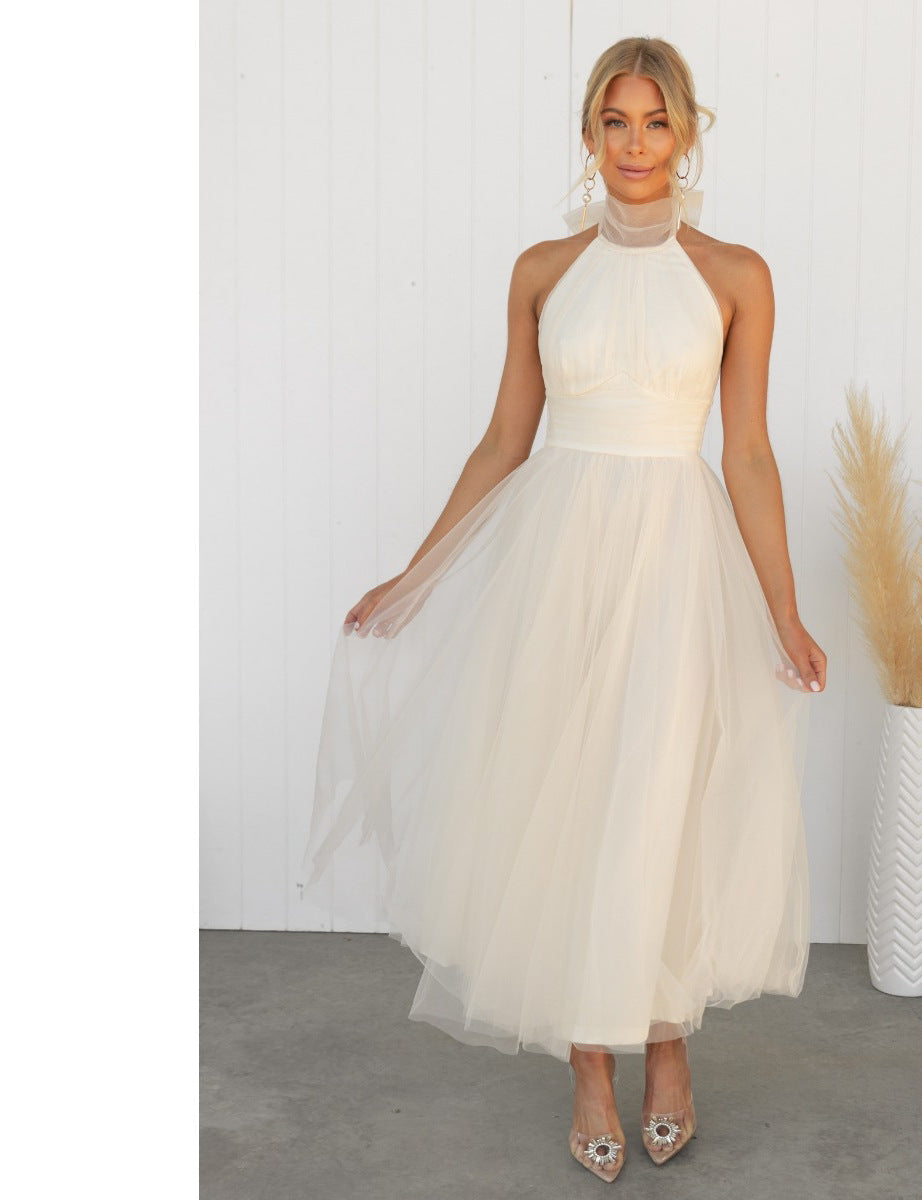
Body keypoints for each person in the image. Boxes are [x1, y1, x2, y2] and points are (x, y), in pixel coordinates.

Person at [298, 35, 827, 1183]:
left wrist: (783, 609)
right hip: (558, 565)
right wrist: (414, 575)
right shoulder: (543, 270)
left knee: (660, 803)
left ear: (686, 131)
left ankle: (667, 1042)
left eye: (655, 121)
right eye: (614, 122)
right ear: (588, 134)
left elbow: (746, 452)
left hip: (676, 561)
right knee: (573, 801)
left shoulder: (736, 274)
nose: (635, 144)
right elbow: (505, 439)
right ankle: (590, 1064)